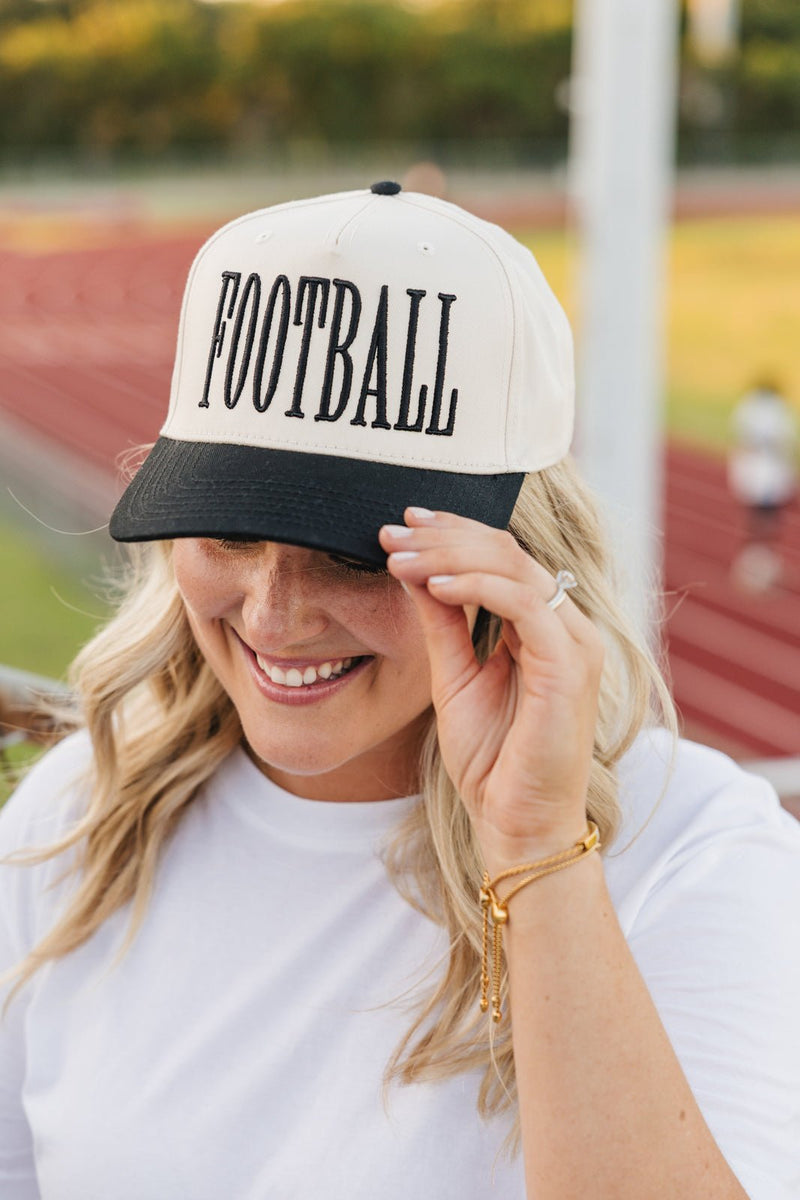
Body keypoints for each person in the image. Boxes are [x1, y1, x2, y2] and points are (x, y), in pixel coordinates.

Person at [1, 182, 799, 1200]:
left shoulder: (691, 853)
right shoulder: (78, 820)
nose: (273, 613)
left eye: (353, 554)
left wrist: (538, 848)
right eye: (229, 533)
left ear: (510, 553)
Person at [727, 378, 798, 592]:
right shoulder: (779, 409)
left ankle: (753, 563)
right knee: (767, 524)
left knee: (753, 521)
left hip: (749, 473)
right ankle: (759, 566)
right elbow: (786, 440)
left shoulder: (747, 406)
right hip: (770, 475)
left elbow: (739, 435)